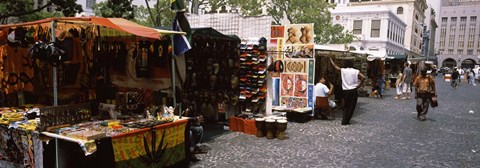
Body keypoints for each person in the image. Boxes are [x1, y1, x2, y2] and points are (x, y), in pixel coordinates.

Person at [329, 57, 365, 125]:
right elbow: (363, 77)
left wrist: (331, 60)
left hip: (345, 90)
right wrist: (359, 85)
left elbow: (335, 67)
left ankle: (344, 120)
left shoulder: (343, 70)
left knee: (346, 105)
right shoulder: (355, 71)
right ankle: (347, 120)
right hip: (353, 90)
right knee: (352, 106)